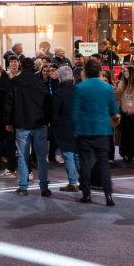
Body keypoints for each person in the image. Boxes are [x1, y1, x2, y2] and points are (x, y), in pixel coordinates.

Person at [72, 59, 119, 206]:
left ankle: (86, 194)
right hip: (102, 130)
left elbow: (75, 112)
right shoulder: (106, 88)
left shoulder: (80, 88)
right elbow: (114, 110)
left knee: (85, 164)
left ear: (85, 72)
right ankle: (108, 195)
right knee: (104, 164)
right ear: (99, 71)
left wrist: (75, 129)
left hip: (84, 131)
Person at [4, 57, 53, 197]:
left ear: (21, 67)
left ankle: (23, 187)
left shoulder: (14, 83)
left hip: (22, 123)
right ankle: (44, 187)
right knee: (41, 157)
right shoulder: (40, 83)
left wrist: (8, 122)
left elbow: (9, 105)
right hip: (39, 123)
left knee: (23, 156)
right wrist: (48, 119)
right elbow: (48, 103)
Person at [51, 64, 80, 192]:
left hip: (64, 127)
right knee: (78, 155)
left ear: (60, 79)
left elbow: (54, 113)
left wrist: (53, 126)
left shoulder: (58, 93)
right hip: (79, 126)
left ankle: (73, 182)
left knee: (68, 155)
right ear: (72, 77)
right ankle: (84, 181)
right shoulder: (78, 90)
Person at [114, 64, 134, 165]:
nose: (125, 73)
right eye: (124, 71)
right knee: (126, 133)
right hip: (125, 112)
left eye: (127, 71)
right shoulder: (121, 83)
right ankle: (127, 154)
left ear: (132, 72)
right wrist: (127, 108)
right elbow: (121, 98)